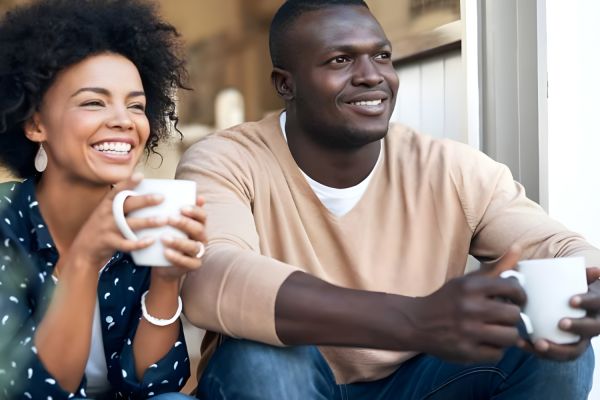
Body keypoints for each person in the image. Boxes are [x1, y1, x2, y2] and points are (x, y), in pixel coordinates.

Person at [176, 0, 600, 399]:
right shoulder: (225, 160)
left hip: (417, 382)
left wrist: (586, 288)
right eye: (340, 60)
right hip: (290, 378)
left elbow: (557, 247)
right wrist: (416, 320)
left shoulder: (450, 167)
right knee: (260, 359)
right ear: (286, 84)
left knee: (556, 344)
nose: (371, 75)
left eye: (381, 56)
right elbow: (211, 278)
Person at [0, 0, 206, 398]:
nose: (124, 120)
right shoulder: (7, 222)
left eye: (136, 105)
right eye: (94, 102)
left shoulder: (139, 218)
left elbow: (154, 384)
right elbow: (34, 391)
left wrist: (166, 276)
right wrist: (84, 257)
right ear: (35, 123)